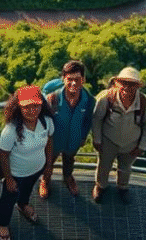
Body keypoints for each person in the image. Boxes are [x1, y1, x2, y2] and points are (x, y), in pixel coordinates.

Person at [0, 85, 55, 240]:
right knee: (8, 200)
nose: (32, 109)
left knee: (27, 191)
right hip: (16, 173)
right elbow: (3, 154)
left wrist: (48, 166)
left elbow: (49, 142)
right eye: (26, 106)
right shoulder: (11, 130)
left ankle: (23, 205)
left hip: (36, 169)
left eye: (35, 105)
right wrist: (8, 178)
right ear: (19, 107)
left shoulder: (46, 122)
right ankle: (2, 223)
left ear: (41, 105)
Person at [91, 66, 146, 204]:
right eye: (124, 83)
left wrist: (142, 146)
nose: (127, 87)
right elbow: (96, 119)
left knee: (125, 168)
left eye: (132, 84)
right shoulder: (106, 98)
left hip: (131, 143)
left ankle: (123, 188)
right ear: (116, 83)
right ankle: (100, 186)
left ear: (138, 86)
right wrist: (97, 139)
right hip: (108, 140)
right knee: (103, 165)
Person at [40, 60, 93, 198]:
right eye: (70, 79)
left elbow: (88, 120)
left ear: (83, 80)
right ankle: (45, 180)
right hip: (54, 140)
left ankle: (68, 178)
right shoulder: (53, 98)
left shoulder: (88, 100)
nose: (73, 83)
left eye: (77, 79)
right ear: (63, 79)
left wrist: (83, 137)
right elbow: (42, 119)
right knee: (48, 161)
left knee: (69, 160)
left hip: (74, 139)